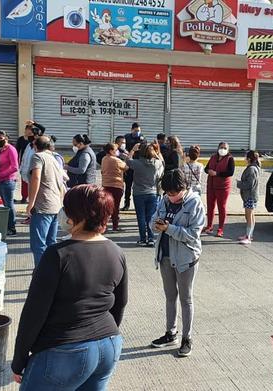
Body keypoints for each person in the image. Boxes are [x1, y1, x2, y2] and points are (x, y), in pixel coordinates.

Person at [12, 184, 128, 390]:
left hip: (66, 350)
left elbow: (33, 313)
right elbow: (119, 305)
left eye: (66, 208)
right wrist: (103, 335)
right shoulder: (116, 252)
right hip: (109, 344)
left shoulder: (57, 255)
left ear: (77, 216)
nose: (62, 212)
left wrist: (19, 360)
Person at [149, 170, 205, 358]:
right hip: (165, 255)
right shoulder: (164, 200)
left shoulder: (194, 203)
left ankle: (187, 338)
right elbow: (152, 220)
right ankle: (170, 333)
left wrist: (169, 228)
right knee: (170, 296)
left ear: (184, 188)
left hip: (185, 258)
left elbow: (193, 235)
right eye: (168, 193)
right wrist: (155, 225)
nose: (171, 197)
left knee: (186, 298)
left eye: (174, 193)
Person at [27, 135, 66, 266]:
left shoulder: (37, 157)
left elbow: (36, 178)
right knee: (51, 243)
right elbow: (64, 179)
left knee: (38, 245)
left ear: (35, 146)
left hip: (43, 206)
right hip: (55, 205)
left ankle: (40, 275)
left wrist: (30, 203)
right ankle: (52, 273)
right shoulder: (54, 158)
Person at [127, 143, 164, 246]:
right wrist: (157, 151)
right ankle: (151, 238)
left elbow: (127, 160)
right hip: (152, 192)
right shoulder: (156, 163)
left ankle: (143, 238)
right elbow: (162, 161)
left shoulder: (136, 163)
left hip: (138, 193)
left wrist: (133, 149)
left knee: (141, 217)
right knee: (151, 217)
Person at [0, 131, 19, 236]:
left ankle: (12, 227)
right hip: (0, 180)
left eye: (1, 138)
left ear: (6, 138)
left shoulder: (11, 149)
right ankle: (7, 226)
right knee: (5, 204)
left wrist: (1, 174)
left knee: (9, 204)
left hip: (8, 181)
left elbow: (15, 167)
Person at [202, 142, 235, 238]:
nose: (223, 149)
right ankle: (209, 226)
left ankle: (220, 228)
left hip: (223, 187)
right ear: (218, 148)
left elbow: (230, 172)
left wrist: (217, 173)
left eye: (225, 148)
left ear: (228, 150)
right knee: (210, 206)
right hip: (211, 185)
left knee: (222, 207)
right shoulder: (213, 157)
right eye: (221, 147)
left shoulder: (230, 159)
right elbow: (206, 168)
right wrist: (209, 171)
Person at [101, 143, 129, 231]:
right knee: (115, 206)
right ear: (110, 151)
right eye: (116, 150)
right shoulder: (116, 160)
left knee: (107, 206)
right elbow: (126, 167)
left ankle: (103, 225)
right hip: (116, 185)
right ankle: (115, 226)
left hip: (106, 184)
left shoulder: (104, 159)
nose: (117, 151)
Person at [16, 120, 45, 203]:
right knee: (25, 184)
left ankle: (33, 200)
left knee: (34, 186)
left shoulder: (39, 145)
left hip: (34, 170)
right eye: (28, 133)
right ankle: (25, 198)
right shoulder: (29, 145)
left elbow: (43, 128)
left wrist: (34, 123)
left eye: (31, 134)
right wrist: (20, 168)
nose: (29, 135)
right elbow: (24, 157)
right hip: (25, 170)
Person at [236, 150, 260, 245]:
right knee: (251, 215)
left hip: (250, 196)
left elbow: (249, 184)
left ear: (249, 159)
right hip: (251, 196)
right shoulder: (254, 168)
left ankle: (248, 237)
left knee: (248, 216)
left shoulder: (251, 169)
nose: (245, 158)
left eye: (246, 157)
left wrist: (239, 184)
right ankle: (248, 235)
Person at [122, 123, 145, 211]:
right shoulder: (127, 137)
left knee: (138, 186)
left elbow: (144, 151)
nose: (137, 132)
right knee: (128, 186)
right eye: (136, 131)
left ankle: (138, 205)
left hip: (138, 166)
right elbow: (123, 147)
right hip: (129, 164)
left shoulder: (142, 138)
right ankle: (126, 204)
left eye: (139, 131)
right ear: (131, 130)